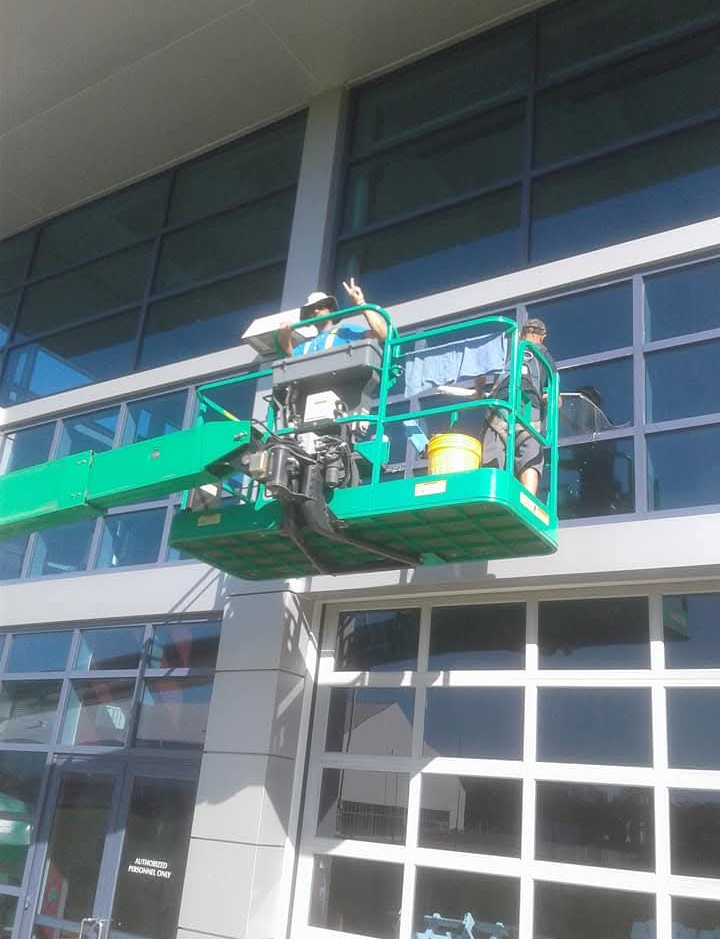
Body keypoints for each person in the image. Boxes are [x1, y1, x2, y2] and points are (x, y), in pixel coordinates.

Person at [480, 317, 557, 496]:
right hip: (530, 410)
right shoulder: (545, 357)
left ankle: (494, 494)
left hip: (501, 404)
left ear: (523, 334)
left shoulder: (507, 349)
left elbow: (480, 368)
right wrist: (553, 402)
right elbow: (554, 394)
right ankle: (528, 500)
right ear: (543, 336)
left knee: (494, 448)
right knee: (530, 453)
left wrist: (478, 391)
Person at [276, 278, 386, 357]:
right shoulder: (306, 344)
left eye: (320, 306)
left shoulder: (344, 331)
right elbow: (289, 355)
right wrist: (284, 335)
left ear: (330, 309)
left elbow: (381, 335)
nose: (315, 311)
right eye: (310, 309)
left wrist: (361, 303)